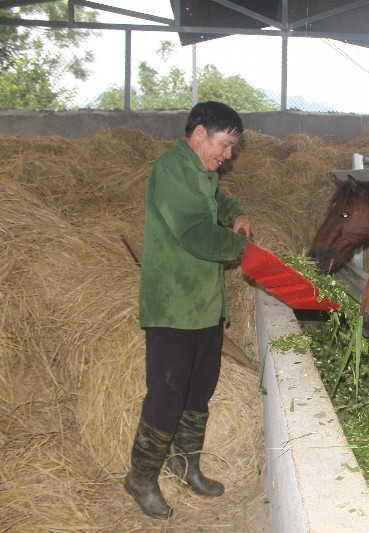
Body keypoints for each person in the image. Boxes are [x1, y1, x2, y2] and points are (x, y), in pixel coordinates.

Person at [125, 101, 252, 519]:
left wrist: (238, 214)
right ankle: (141, 478)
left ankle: (185, 464)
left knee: (199, 390)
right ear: (200, 133)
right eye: (225, 144)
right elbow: (198, 235)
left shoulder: (202, 172)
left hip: (206, 305)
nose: (227, 155)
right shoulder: (171, 170)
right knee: (167, 393)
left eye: (232, 147)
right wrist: (241, 248)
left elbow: (220, 200)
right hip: (174, 307)